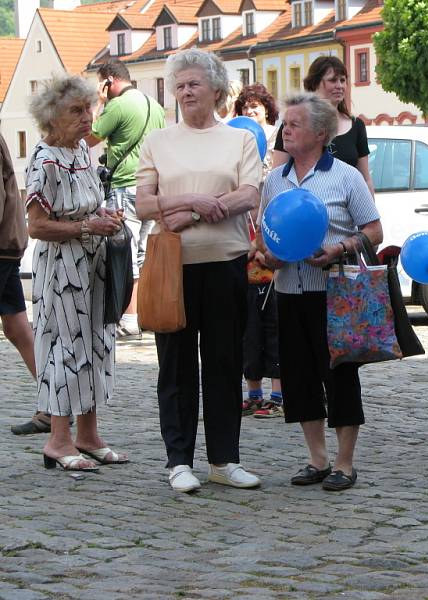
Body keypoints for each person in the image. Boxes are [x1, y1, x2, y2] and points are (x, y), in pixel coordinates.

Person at [136, 49, 262, 493]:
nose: (186, 92)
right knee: (176, 365)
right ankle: (179, 460)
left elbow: (249, 194)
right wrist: (189, 203)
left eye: (194, 84)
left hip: (226, 264)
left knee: (224, 363)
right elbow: (143, 203)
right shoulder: (158, 141)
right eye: (180, 85)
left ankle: (224, 459)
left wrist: (194, 213)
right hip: (174, 268)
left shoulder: (239, 140)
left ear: (215, 90)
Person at [258, 93, 381, 492]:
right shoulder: (275, 180)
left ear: (321, 133)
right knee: (298, 378)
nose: (285, 129)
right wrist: (267, 256)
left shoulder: (345, 176)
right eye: (284, 123)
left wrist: (339, 248)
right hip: (289, 291)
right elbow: (267, 234)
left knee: (340, 376)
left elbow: (375, 231)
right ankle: (317, 458)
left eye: (294, 123)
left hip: (334, 294)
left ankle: (345, 462)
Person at [26, 76, 128, 471]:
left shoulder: (82, 151)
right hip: (62, 267)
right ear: (52, 117)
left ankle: (88, 435)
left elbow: (89, 203)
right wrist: (87, 227)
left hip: (94, 263)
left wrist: (104, 216)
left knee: (97, 343)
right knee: (64, 348)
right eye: (76, 111)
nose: (88, 118)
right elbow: (37, 226)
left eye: (89, 109)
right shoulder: (44, 159)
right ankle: (58, 439)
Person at [87, 59, 166, 340]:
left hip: (124, 187)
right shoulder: (154, 106)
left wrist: (99, 102)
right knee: (144, 253)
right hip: (151, 188)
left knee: (125, 252)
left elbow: (89, 137)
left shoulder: (118, 105)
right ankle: (143, 312)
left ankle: (129, 318)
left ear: (109, 80)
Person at [233, 83, 283, 418]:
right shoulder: (233, 149)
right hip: (244, 257)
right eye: (245, 107)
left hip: (273, 256)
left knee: (275, 330)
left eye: (256, 107)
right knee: (247, 332)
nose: (251, 112)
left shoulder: (275, 160)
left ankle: (277, 396)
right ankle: (253, 393)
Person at [272, 55, 374, 195]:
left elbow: (365, 179)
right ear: (314, 84)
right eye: (332, 80)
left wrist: (370, 211)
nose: (339, 86)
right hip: (305, 206)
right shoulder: (292, 124)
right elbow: (278, 177)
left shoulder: (356, 126)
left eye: (342, 80)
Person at [1, 132, 44, 435]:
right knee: (16, 326)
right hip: (6, 243)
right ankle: (52, 408)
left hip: (2, 245)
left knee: (17, 325)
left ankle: (54, 407)